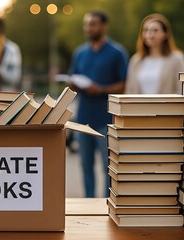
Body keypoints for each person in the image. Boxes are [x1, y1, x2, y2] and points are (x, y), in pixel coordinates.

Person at [68, 10, 128, 198]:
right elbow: (73, 77)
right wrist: (72, 83)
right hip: (83, 119)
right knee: (86, 166)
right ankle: (88, 204)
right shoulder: (80, 52)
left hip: (106, 119)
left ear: (104, 26)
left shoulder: (117, 53)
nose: (88, 28)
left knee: (107, 167)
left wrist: (101, 89)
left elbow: (125, 83)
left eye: (93, 24)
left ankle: (105, 206)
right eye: (87, 24)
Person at [125, 13, 184, 94]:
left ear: (165, 34)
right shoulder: (136, 60)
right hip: (140, 106)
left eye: (155, 30)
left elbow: (182, 89)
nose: (149, 35)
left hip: (168, 106)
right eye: (146, 30)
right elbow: (129, 91)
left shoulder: (177, 59)